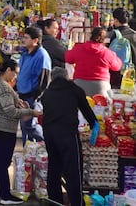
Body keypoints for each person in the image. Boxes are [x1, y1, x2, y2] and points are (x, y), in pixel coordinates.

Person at [42, 67, 99, 206]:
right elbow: (87, 112)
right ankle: (76, 202)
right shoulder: (75, 90)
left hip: (49, 135)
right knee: (73, 171)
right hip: (67, 135)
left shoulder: (47, 93)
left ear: (52, 79)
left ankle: (55, 201)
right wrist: (94, 126)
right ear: (67, 77)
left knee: (54, 168)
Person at [0, 59, 39, 205]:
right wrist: (31, 112)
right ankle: (5, 195)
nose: (16, 77)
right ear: (8, 70)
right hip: (4, 129)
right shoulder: (3, 88)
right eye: (15, 73)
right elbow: (10, 111)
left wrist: (17, 100)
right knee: (3, 161)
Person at [16, 26, 51, 144]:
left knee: (30, 126)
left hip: (32, 97)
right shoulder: (25, 53)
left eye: (26, 38)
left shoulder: (42, 56)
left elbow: (44, 80)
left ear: (35, 40)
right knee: (24, 127)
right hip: (22, 95)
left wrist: (36, 98)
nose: (23, 40)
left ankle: (47, 142)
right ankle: (29, 152)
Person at [66, 26, 122, 97]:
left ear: (91, 35)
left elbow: (68, 58)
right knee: (103, 106)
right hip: (101, 87)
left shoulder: (79, 48)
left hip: (79, 85)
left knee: (78, 106)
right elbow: (117, 66)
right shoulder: (106, 52)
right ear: (104, 39)